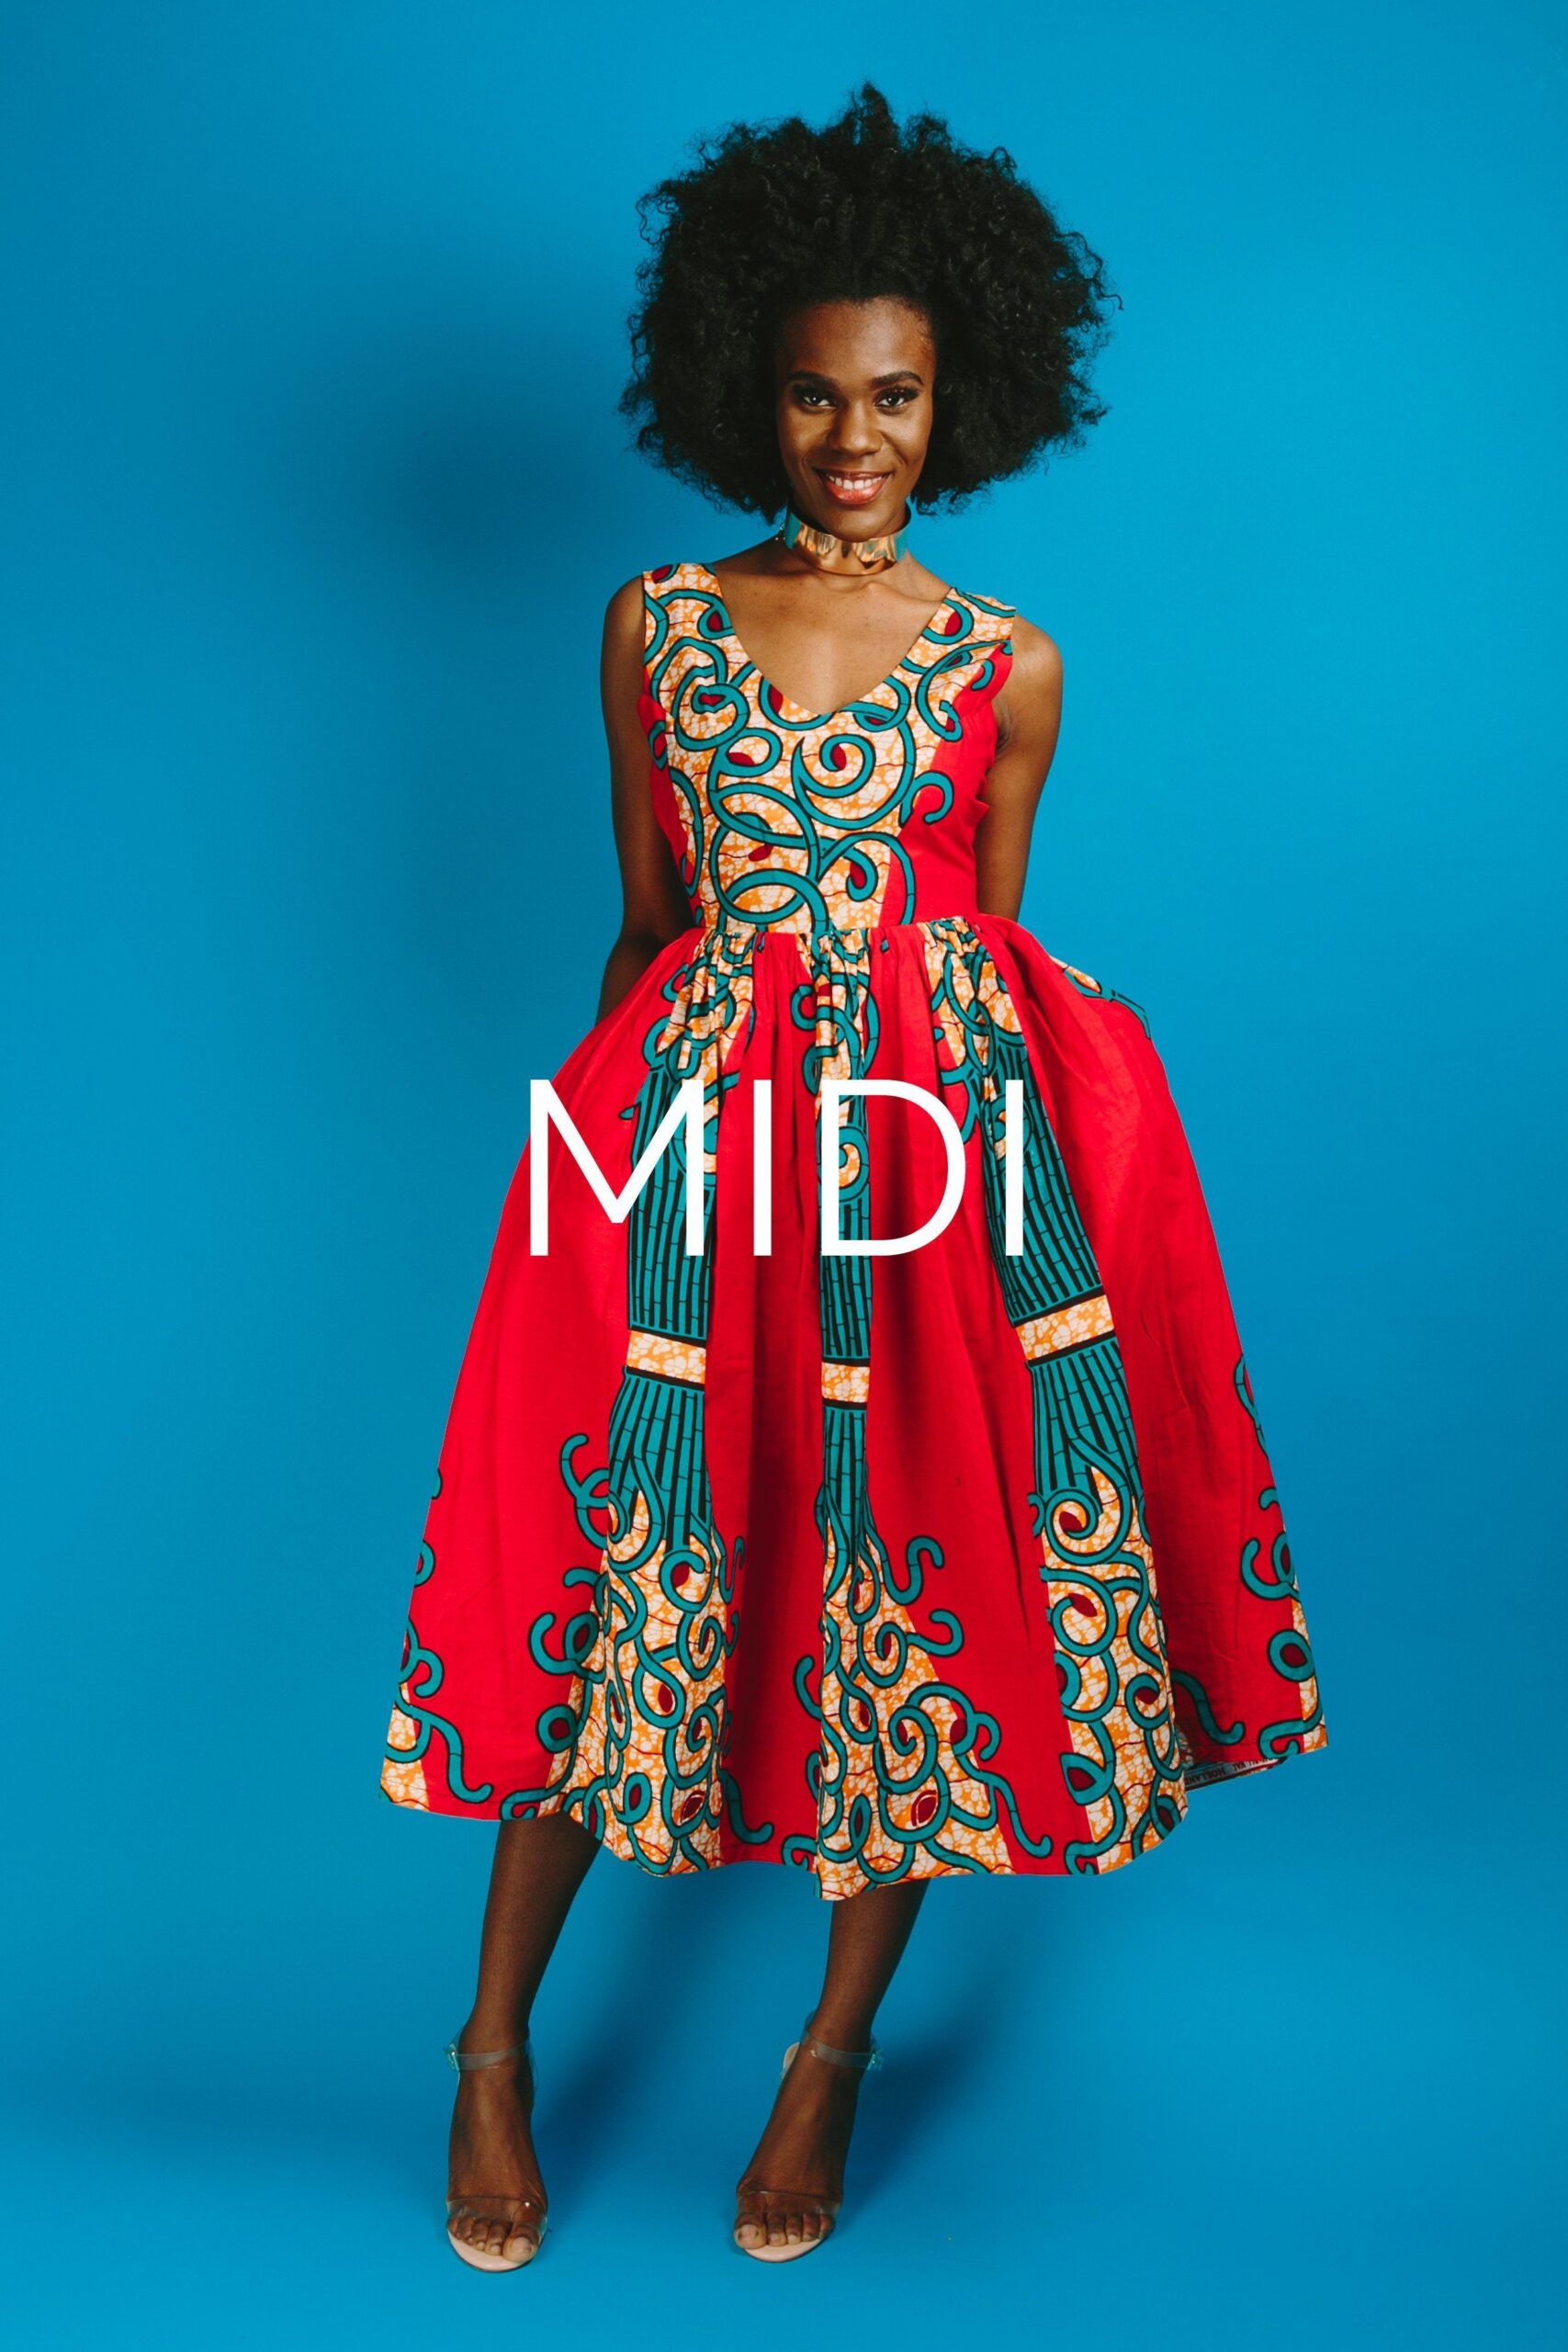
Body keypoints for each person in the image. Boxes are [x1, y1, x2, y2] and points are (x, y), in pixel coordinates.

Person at [382, 84, 1328, 2272]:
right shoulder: (650, 626)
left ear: (954, 398)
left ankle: (826, 2055)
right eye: (813, 394)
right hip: (693, 1161)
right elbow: (644, 930)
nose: (850, 438)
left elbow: (974, 948)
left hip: (926, 1179)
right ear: (750, 387)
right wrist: (590, 1174)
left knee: (905, 1578)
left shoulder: (1009, 664)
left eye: (891, 396)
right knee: (612, 1566)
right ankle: (490, 2048)